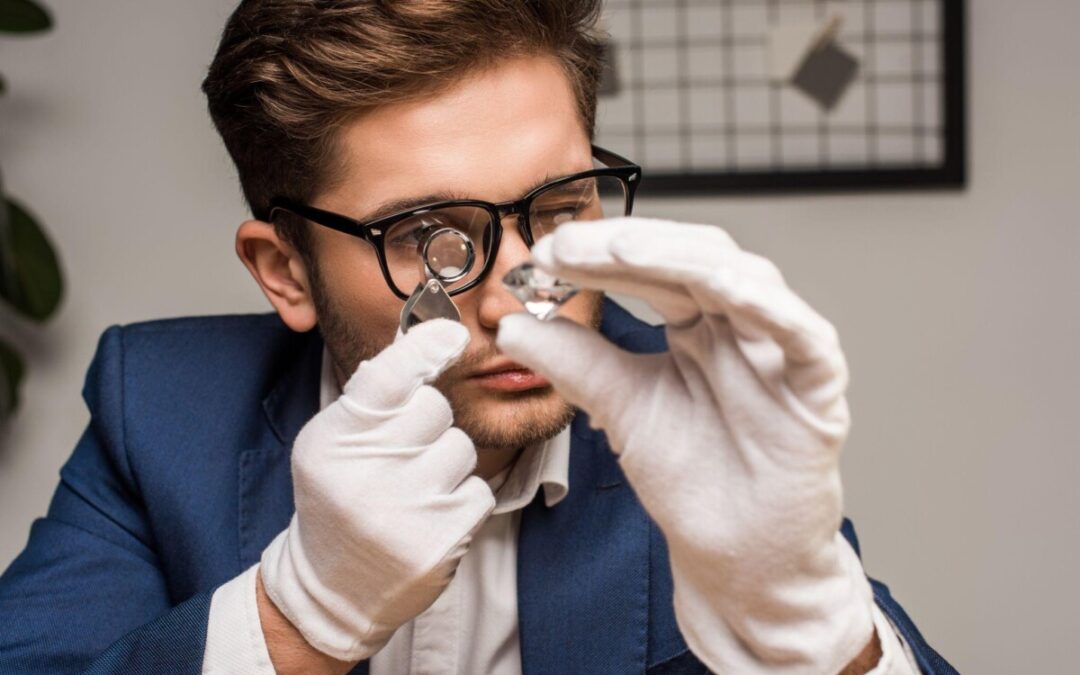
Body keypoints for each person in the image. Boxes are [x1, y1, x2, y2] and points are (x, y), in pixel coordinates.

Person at [0, 1, 957, 673]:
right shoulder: (158, 410)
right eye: (429, 237)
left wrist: (816, 635)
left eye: (558, 206)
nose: (516, 299)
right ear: (285, 269)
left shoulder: (705, 423)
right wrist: (294, 619)